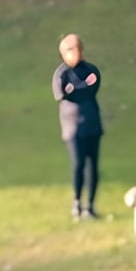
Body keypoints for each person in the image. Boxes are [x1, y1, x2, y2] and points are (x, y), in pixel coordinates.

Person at [52, 33, 104, 221]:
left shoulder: (91, 70)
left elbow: (92, 86)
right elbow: (61, 94)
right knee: (78, 165)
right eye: (70, 50)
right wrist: (78, 89)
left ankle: (90, 206)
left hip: (92, 123)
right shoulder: (62, 74)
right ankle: (77, 203)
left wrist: (76, 89)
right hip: (72, 127)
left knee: (93, 166)